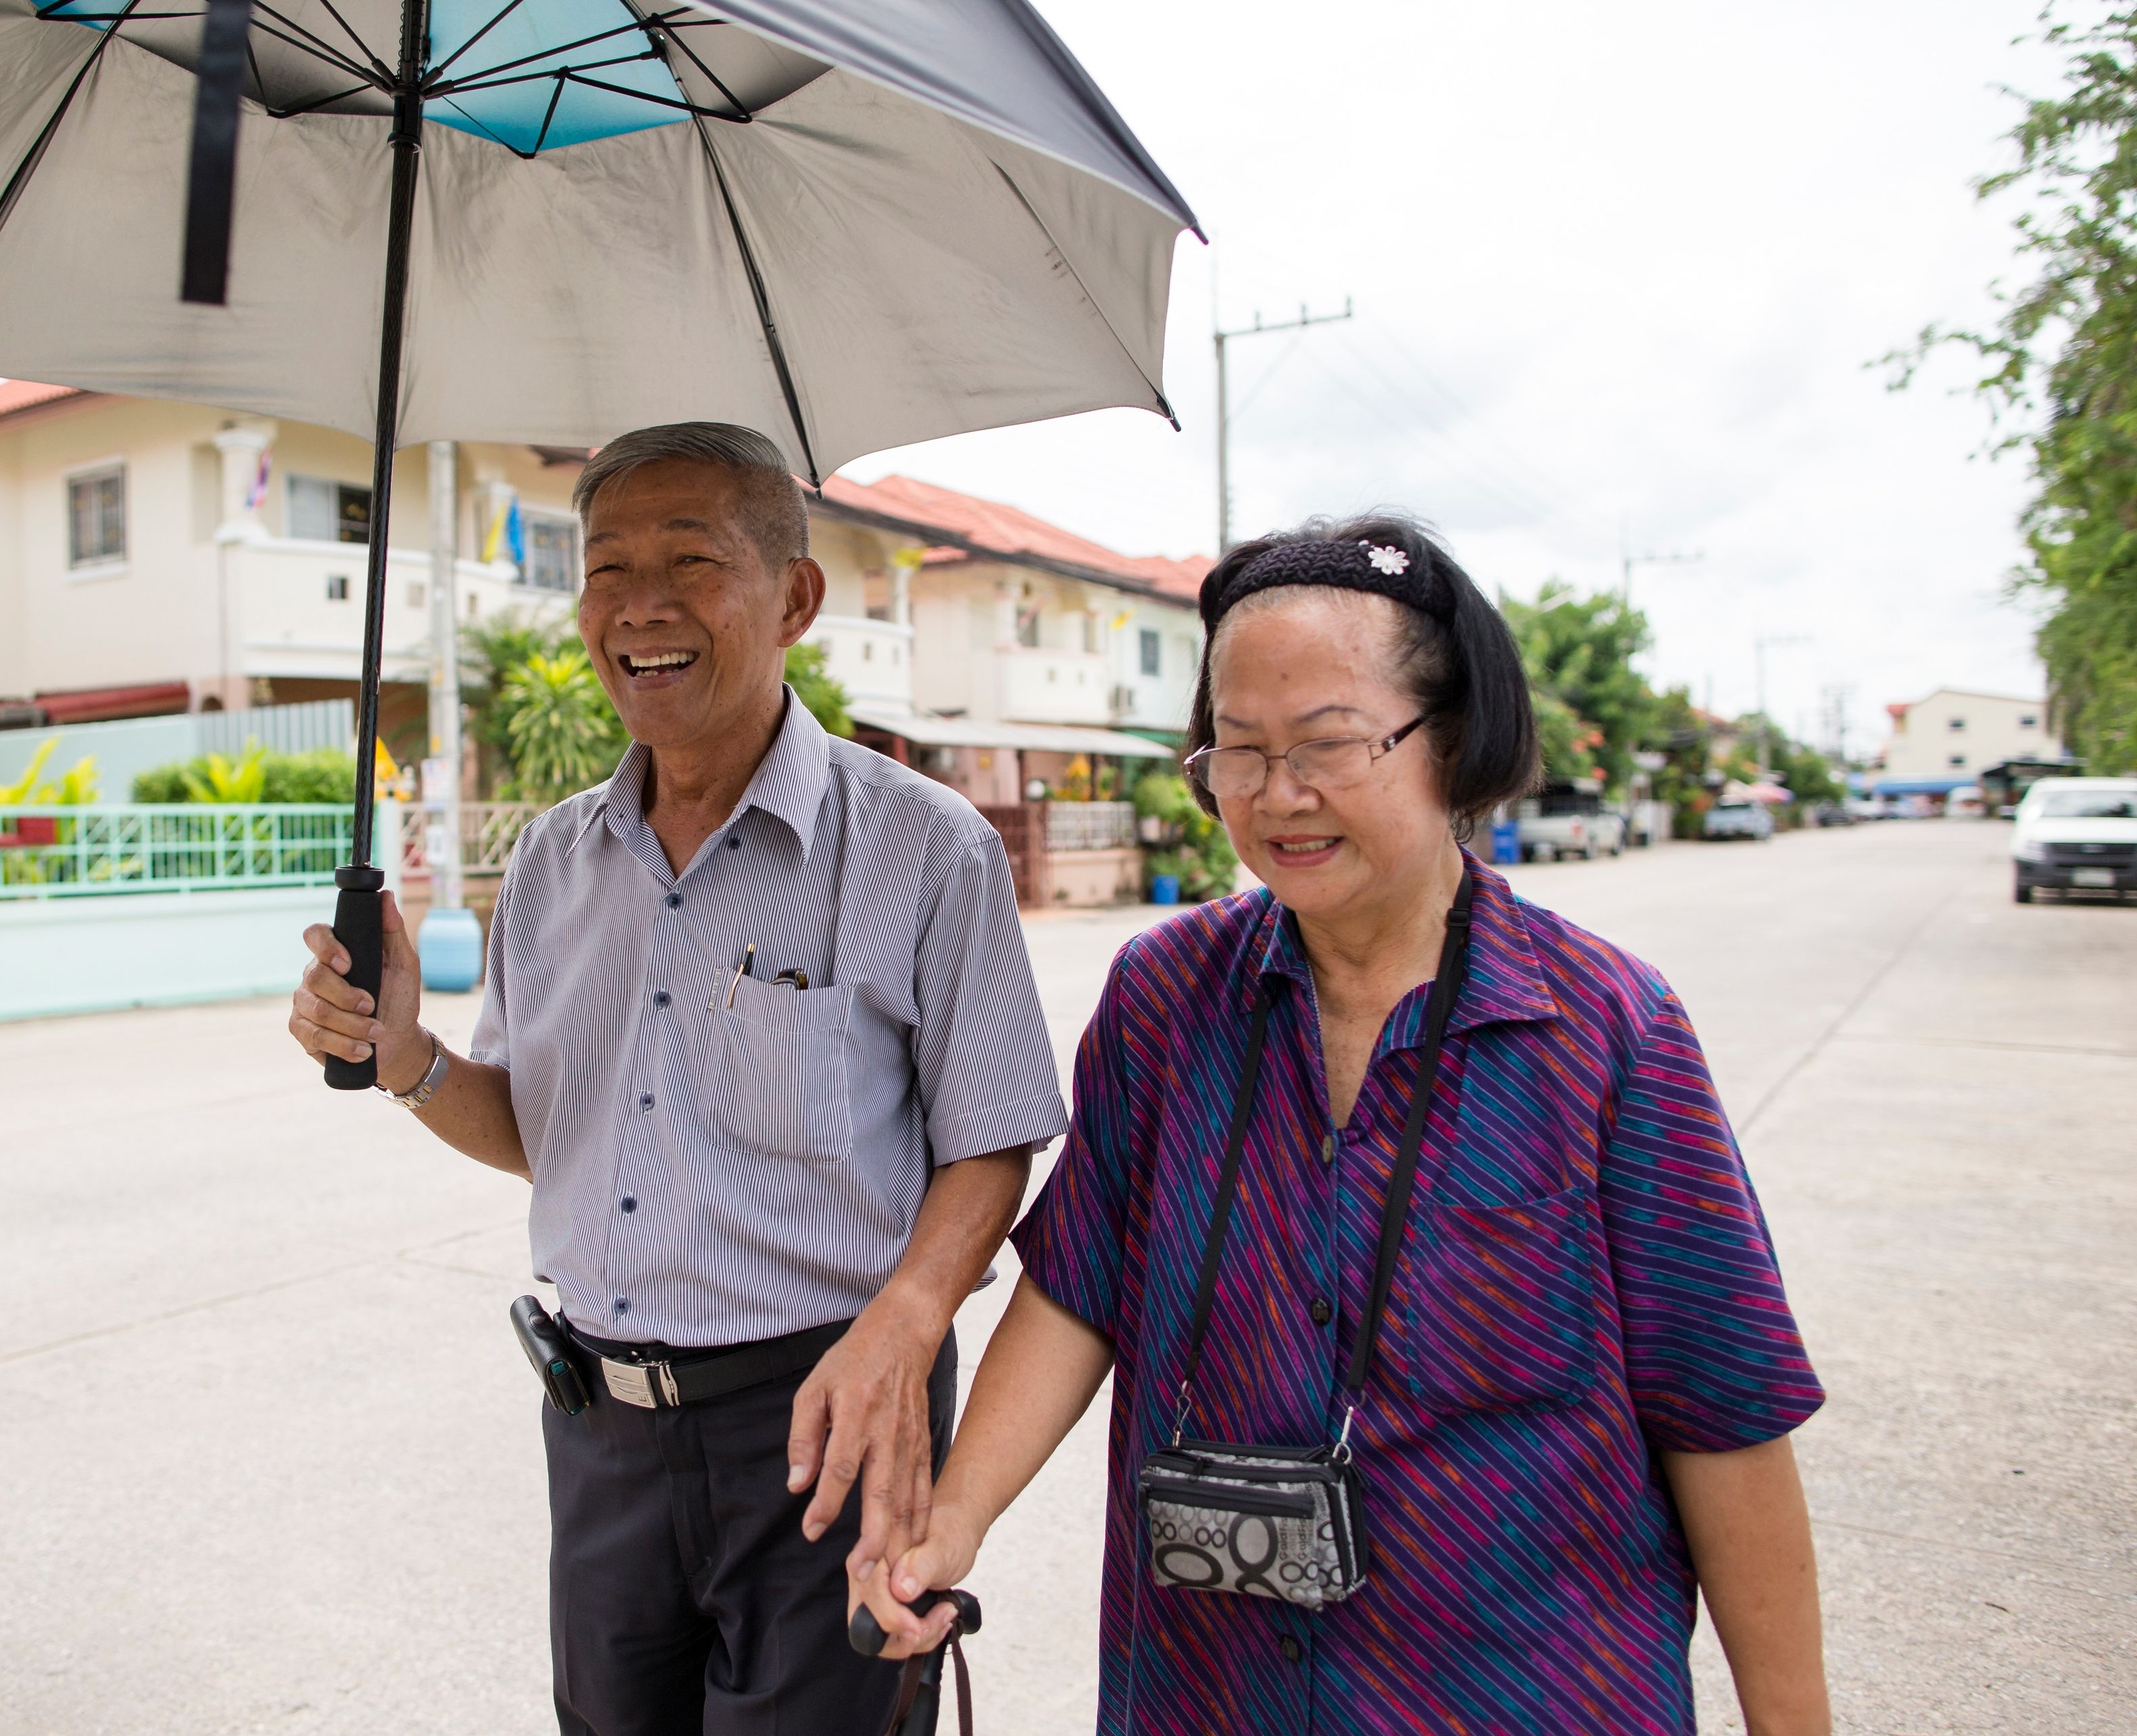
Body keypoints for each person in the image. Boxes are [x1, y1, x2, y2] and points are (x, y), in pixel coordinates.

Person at [857, 516, 1832, 1734]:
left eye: (1327, 746)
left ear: (1456, 739)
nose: (1279, 797)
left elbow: (1721, 1415)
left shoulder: (1609, 1031)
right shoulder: (1165, 1000)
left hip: (1525, 1694)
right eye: (1239, 753)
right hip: (1209, 1691)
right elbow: (1078, 1293)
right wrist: (950, 1526)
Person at [287, 423, 1070, 1735]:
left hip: (831, 1424)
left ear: (796, 599)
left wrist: (910, 1320)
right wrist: (407, 1058)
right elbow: (558, 1135)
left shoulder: (925, 851)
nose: (639, 607)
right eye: (606, 570)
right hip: (602, 1431)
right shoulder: (549, 865)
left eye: (692, 560)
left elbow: (990, 1139)